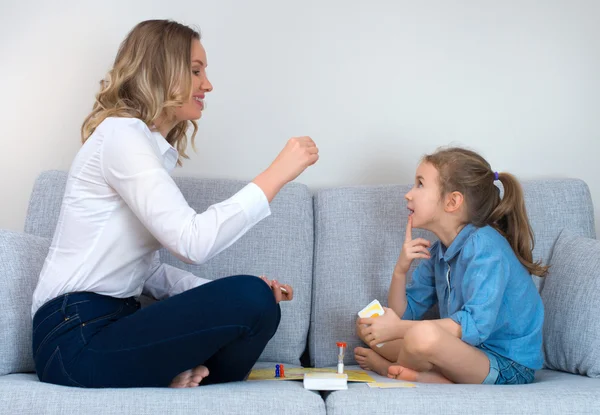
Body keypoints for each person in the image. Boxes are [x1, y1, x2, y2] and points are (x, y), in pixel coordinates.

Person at [31, 19, 318, 388]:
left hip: (116, 324)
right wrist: (276, 174)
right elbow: (192, 242)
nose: (208, 85)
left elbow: (147, 272)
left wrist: (225, 292)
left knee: (263, 309)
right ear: (162, 71)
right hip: (72, 337)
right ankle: (161, 369)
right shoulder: (121, 135)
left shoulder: (146, 148)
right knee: (250, 296)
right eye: (196, 71)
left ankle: (168, 372)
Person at [354, 147, 546, 384]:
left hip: (506, 364)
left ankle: (393, 369)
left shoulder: (485, 246)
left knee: (421, 336)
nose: (408, 194)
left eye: (420, 184)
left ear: (452, 201)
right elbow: (404, 314)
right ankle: (430, 377)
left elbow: (476, 325)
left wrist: (398, 329)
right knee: (367, 322)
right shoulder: (439, 252)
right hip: (461, 350)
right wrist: (400, 269)